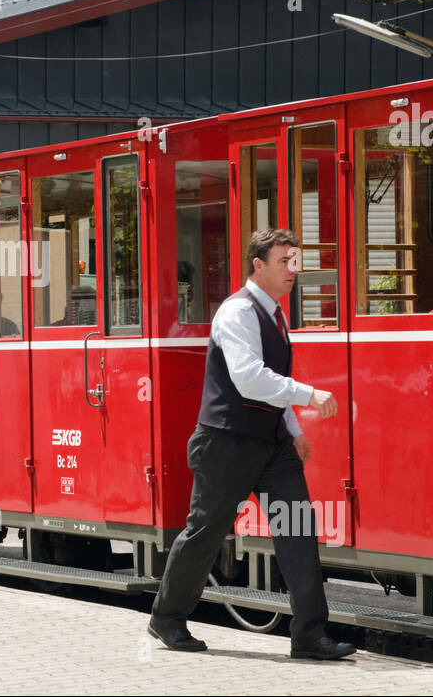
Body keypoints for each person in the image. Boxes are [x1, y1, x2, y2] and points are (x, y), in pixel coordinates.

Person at [147, 228, 355, 660]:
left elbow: (270, 386)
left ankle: (310, 635)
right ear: (258, 265)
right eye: (284, 261)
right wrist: (309, 395)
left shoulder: (276, 314)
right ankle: (166, 619)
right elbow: (249, 379)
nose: (292, 270)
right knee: (205, 534)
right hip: (227, 444)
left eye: (295, 261)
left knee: (298, 530)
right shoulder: (237, 313)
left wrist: (294, 430)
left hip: (272, 446)